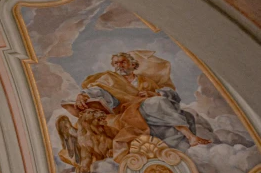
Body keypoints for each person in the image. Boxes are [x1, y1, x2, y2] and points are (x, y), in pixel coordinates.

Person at [73, 51, 209, 159]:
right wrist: (84, 95)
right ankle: (191, 137)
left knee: (187, 115)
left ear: (133, 65)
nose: (119, 65)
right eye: (116, 63)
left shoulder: (145, 80)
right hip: (129, 112)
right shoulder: (110, 79)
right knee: (156, 102)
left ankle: (178, 152)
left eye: (123, 62)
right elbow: (98, 90)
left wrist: (153, 93)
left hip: (149, 110)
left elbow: (171, 95)